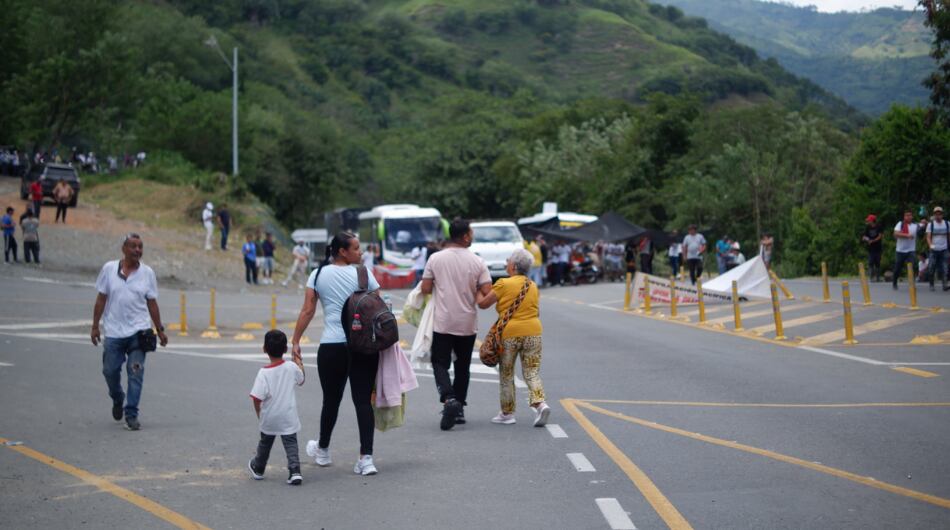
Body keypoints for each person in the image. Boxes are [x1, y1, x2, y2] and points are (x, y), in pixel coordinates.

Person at [291, 232, 381, 476]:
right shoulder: (363, 274)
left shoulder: (318, 274)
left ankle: (323, 451)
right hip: (362, 346)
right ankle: (366, 459)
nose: (360, 252)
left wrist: (296, 340)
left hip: (331, 346)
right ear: (342, 251)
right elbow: (378, 308)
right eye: (356, 248)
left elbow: (308, 310)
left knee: (331, 400)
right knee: (363, 401)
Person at [91, 233, 168, 431]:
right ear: (124, 249)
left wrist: (160, 330)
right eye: (133, 246)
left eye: (140, 247)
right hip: (114, 333)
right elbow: (101, 298)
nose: (137, 250)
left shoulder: (147, 273)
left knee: (136, 373)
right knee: (110, 371)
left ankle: (131, 413)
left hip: (138, 332)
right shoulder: (109, 269)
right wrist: (94, 326)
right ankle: (118, 398)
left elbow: (152, 302)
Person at [420, 219, 492, 431]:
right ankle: (459, 408)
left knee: (440, 363)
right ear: (465, 236)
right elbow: (487, 291)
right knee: (462, 366)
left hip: (443, 322)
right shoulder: (477, 261)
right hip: (467, 322)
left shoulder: (435, 258)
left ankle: (449, 398)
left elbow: (425, 288)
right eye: (471, 232)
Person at [476, 249, 550, 426]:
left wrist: (477, 289)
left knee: (507, 373)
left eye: (508, 261)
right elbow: (536, 310)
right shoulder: (533, 285)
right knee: (532, 372)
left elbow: (483, 304)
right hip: (534, 331)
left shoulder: (503, 283)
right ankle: (541, 404)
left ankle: (507, 414)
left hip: (509, 334)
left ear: (514, 266)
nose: (506, 263)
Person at [248, 330, 305, 486]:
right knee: (291, 443)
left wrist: (259, 413)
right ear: (285, 349)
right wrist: (299, 361)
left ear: (264, 349)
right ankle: (295, 471)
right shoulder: (291, 367)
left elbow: (257, 397)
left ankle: (258, 467)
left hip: (270, 416)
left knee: (265, 443)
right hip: (288, 415)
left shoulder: (263, 373)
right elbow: (301, 379)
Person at [892, 210, 920, 290]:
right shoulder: (900, 224)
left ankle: (912, 284)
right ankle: (894, 283)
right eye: (906, 215)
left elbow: (922, 228)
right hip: (900, 250)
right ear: (904, 217)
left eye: (910, 215)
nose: (908, 217)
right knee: (898, 267)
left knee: (911, 266)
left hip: (911, 250)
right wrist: (907, 235)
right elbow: (895, 234)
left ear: (912, 216)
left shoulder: (915, 225)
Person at [925, 206, 949, 291]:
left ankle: (945, 284)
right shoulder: (930, 225)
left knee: (945, 268)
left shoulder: (947, 224)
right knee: (931, 267)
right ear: (934, 215)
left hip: (944, 249)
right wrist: (930, 245)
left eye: (940, 214)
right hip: (934, 250)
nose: (938, 216)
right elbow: (928, 237)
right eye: (936, 214)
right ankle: (931, 284)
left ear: (942, 215)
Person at [862, 215, 883, 282]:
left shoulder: (878, 226)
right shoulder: (867, 227)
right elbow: (864, 236)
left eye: (869, 220)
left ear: (872, 220)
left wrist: (873, 241)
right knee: (870, 262)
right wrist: (866, 239)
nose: (867, 221)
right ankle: (871, 277)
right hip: (870, 248)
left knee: (877, 262)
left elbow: (880, 236)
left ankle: (878, 277)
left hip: (878, 247)